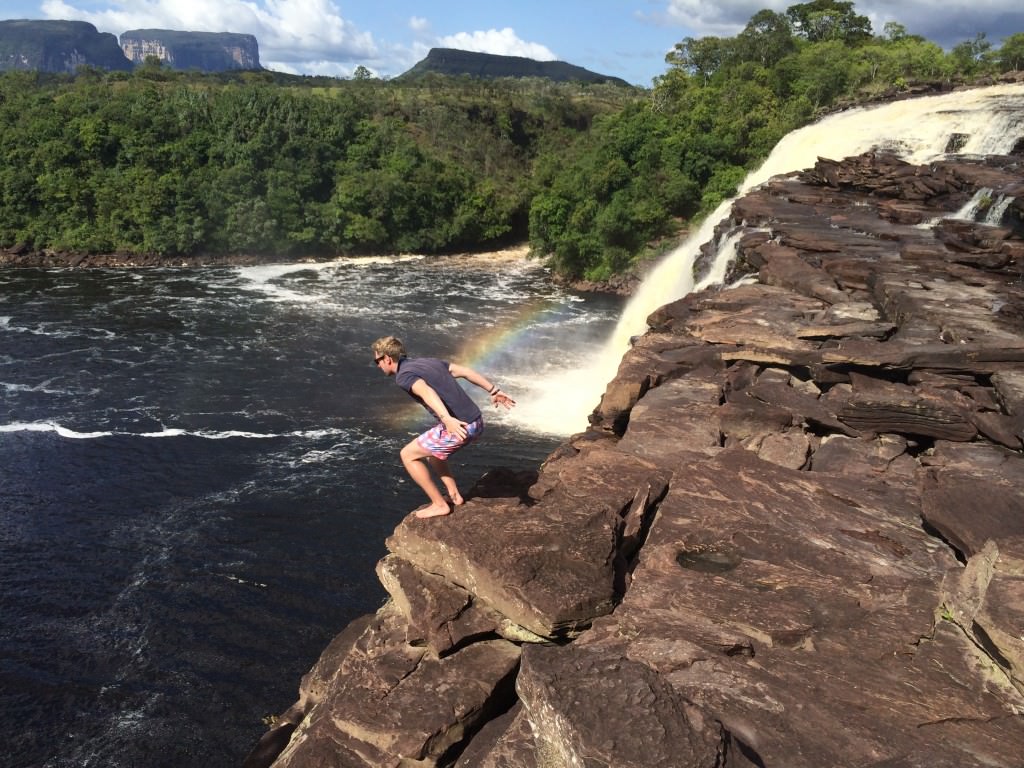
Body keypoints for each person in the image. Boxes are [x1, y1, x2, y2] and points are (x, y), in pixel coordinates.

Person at [371, 335, 516, 518]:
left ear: (387, 359)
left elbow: (427, 392)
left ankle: (440, 505)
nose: (377, 365)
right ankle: (454, 495)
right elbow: (465, 371)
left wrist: (446, 418)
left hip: (460, 425)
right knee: (433, 456)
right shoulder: (429, 362)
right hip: (476, 420)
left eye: (377, 361)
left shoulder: (404, 376)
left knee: (407, 455)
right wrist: (494, 390)